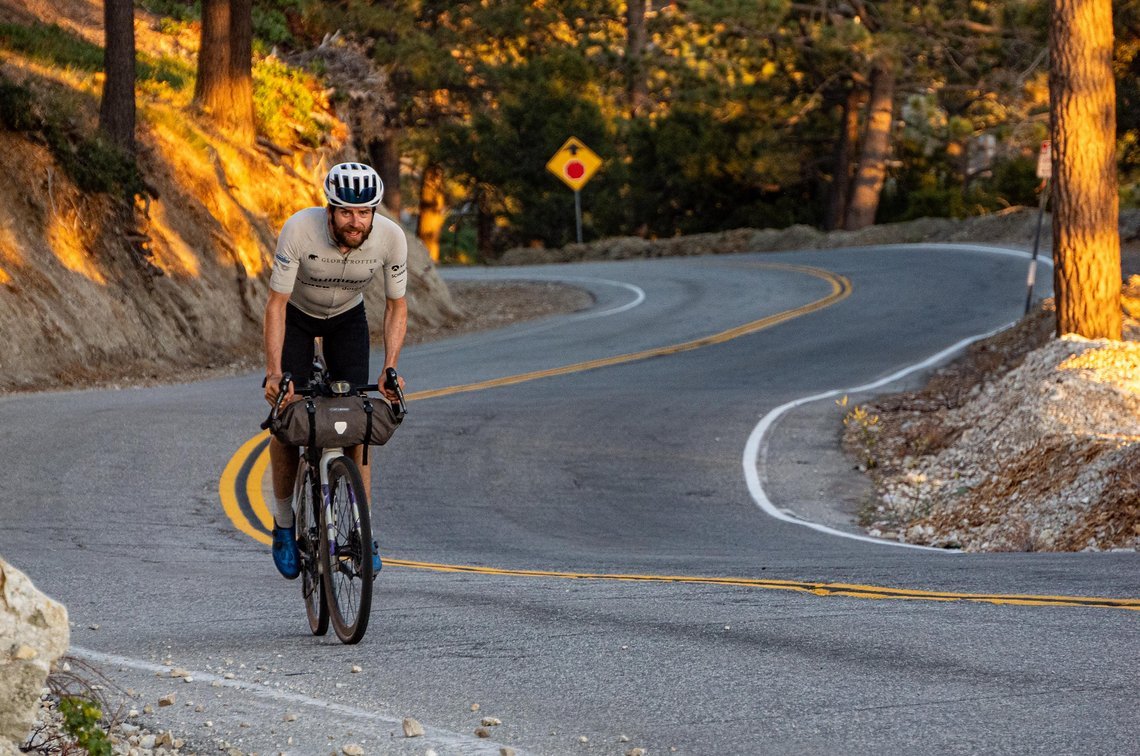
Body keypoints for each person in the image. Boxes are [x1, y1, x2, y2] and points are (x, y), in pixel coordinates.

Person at [262, 162, 408, 580]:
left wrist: (390, 368)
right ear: (329, 209)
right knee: (288, 421)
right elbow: (276, 304)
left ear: (375, 213)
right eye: (345, 211)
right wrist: (275, 373)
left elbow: (397, 306)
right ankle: (285, 524)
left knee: (355, 425)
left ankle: (363, 531)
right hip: (298, 316)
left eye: (364, 213)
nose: (355, 221)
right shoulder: (299, 230)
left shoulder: (391, 238)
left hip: (348, 319)